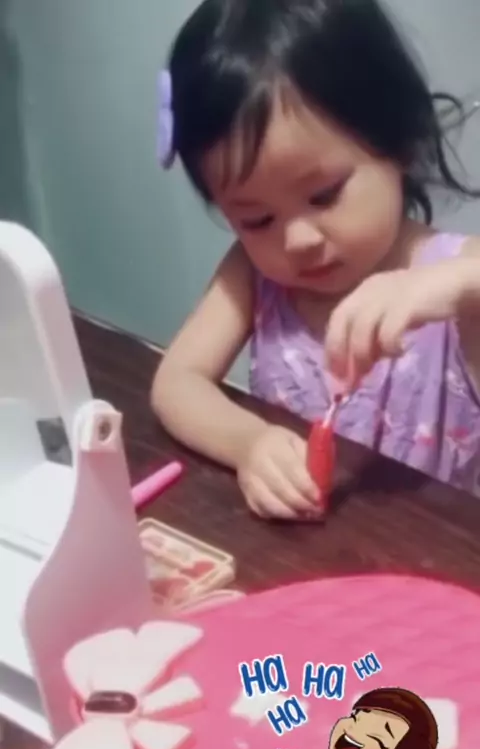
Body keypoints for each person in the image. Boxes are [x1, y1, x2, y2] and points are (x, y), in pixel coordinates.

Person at [152, 0, 480, 520]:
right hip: (307, 548)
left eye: (324, 194)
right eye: (257, 219)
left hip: (436, 551)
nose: (298, 239)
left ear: (400, 143)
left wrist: (453, 284)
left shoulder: (454, 276)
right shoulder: (253, 274)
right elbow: (176, 383)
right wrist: (249, 444)